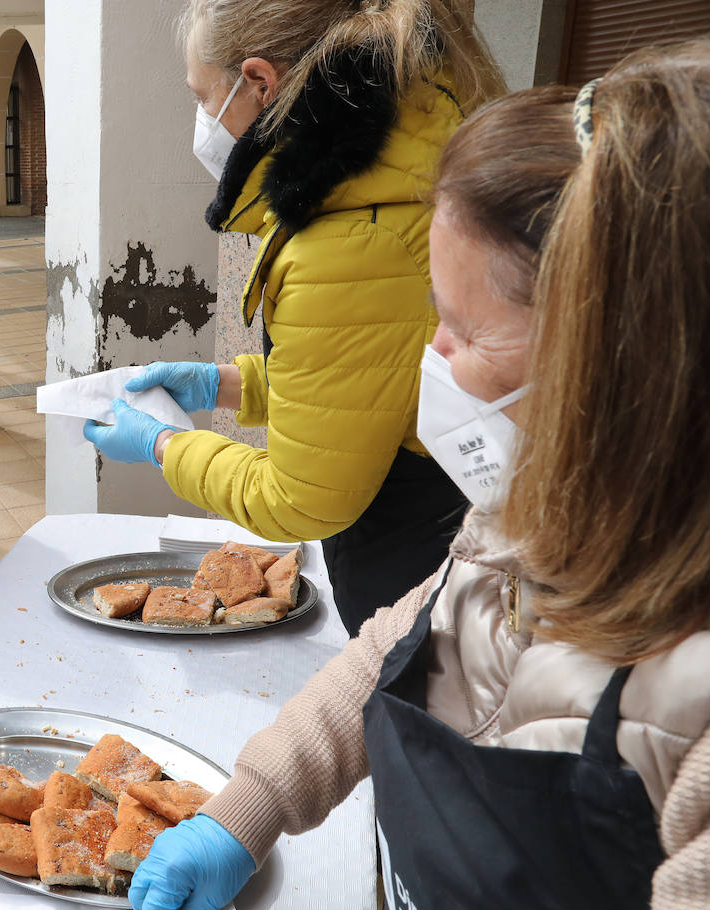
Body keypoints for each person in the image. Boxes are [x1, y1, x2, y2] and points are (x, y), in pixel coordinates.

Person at [128, 42, 710, 910]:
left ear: (623, 374)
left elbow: (303, 487)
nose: (429, 360)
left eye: (463, 331)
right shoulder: (517, 530)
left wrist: (170, 447)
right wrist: (247, 811)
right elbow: (398, 647)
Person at [83, 0, 505, 635]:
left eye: (203, 97)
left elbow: (299, 498)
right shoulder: (392, 171)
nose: (200, 120)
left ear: (258, 81)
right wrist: (227, 385)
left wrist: (162, 444)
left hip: (417, 567)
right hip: (450, 527)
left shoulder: (349, 236)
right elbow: (366, 383)